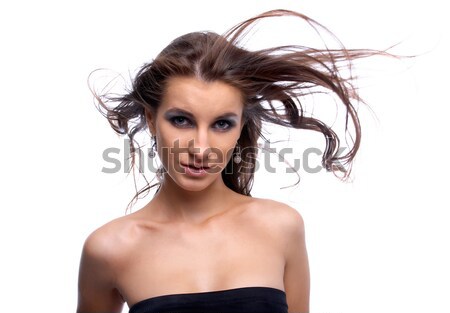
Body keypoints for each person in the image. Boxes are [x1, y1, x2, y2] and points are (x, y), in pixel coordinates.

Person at [77, 9, 380, 313]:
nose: (201, 148)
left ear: (240, 129)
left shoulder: (280, 227)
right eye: (181, 120)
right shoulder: (109, 249)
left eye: (222, 124)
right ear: (151, 119)